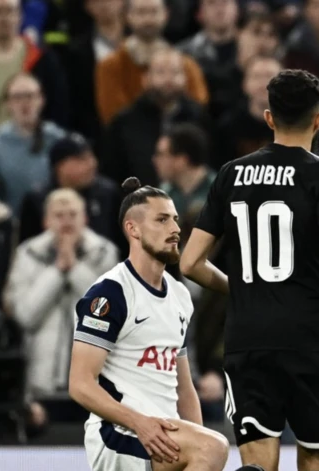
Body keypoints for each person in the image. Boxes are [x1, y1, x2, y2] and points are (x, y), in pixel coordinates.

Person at [180, 69, 319, 471]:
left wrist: (245, 291)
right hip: (308, 339)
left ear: (269, 118)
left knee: (257, 464)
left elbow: (190, 263)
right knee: (315, 454)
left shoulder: (231, 174)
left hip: (249, 340)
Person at [68, 177, 229, 471]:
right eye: (163, 220)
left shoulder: (179, 294)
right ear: (133, 229)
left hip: (162, 434)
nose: (176, 229)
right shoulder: (111, 293)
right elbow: (80, 385)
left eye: (176, 220)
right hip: (119, 433)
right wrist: (140, 423)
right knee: (214, 447)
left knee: (209, 445)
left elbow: (183, 386)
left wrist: (197, 437)